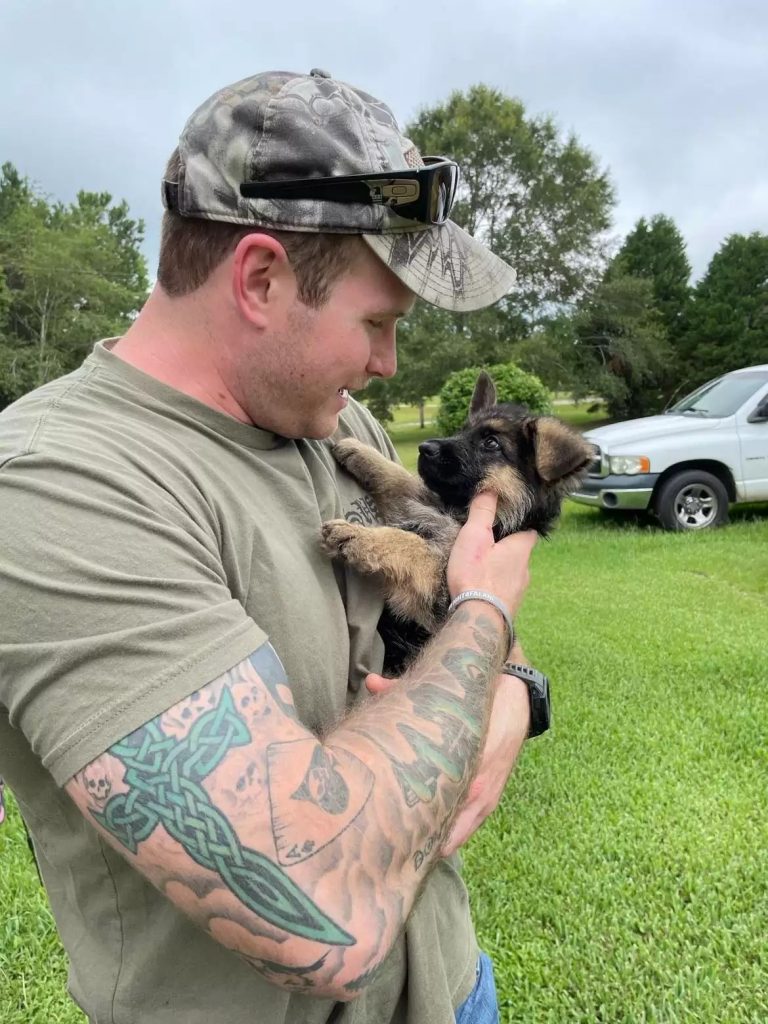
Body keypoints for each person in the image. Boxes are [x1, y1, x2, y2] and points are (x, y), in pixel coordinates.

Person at [0, 69, 543, 1024]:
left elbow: (451, 626)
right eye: (376, 322)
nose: (388, 362)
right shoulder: (53, 487)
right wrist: (492, 622)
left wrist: (516, 690)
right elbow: (320, 908)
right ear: (259, 278)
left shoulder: (344, 433)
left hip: (456, 990)